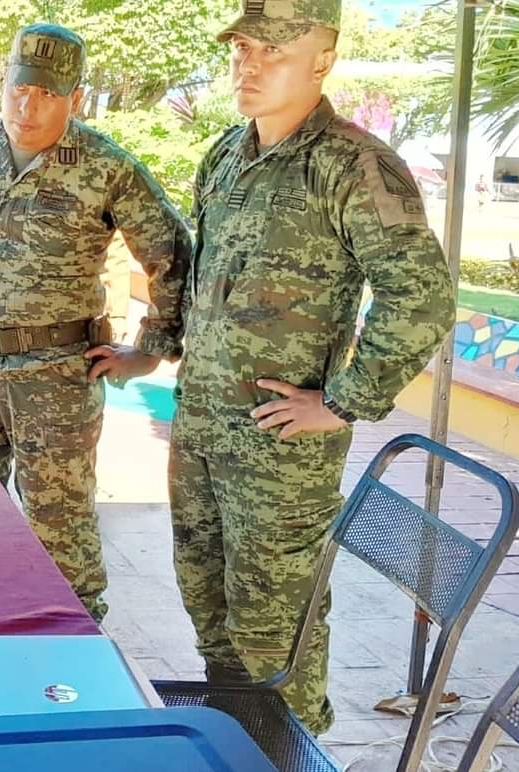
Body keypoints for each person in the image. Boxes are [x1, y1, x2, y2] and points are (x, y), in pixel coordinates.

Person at [168, 0, 456, 734]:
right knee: (211, 616)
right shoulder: (227, 155)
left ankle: (293, 750)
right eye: (241, 47)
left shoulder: (354, 164)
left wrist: (344, 401)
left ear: (323, 58)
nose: (248, 64)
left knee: (274, 633)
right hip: (201, 429)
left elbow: (421, 298)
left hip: (279, 452)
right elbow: (208, 283)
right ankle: (235, 745)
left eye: (273, 51)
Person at [0, 23, 190, 622]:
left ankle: (74, 643)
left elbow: (170, 253)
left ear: (75, 99)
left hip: (55, 377)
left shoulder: (106, 167)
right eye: (17, 88)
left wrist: (152, 347)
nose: (26, 106)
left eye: (46, 95)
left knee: (59, 525)